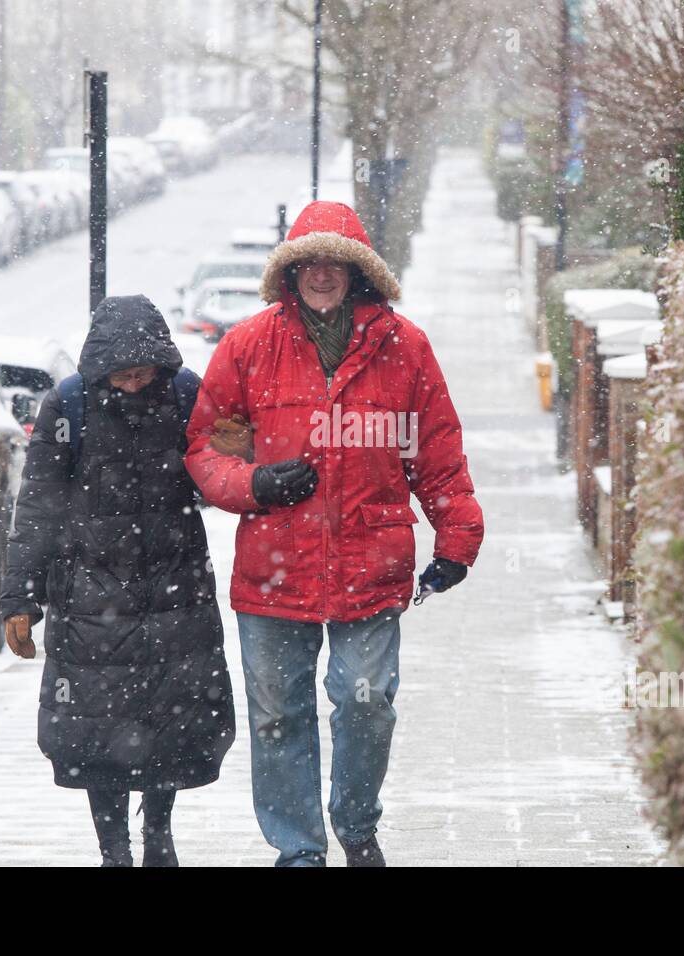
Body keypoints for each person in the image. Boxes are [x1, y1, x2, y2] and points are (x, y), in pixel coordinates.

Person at [184, 201, 485, 866]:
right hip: (272, 572)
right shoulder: (248, 346)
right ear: (290, 273)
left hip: (370, 564)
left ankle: (356, 822)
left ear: (359, 273)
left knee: (368, 705)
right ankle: (298, 851)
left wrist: (456, 539)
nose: (322, 275)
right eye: (308, 263)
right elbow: (208, 449)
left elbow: (435, 451)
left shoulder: (405, 348)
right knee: (277, 718)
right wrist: (256, 485)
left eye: (335, 263)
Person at [0, 294, 236, 867]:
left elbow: (217, 476)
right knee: (94, 731)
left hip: (175, 592)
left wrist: (241, 454)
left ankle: (159, 836)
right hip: (88, 598)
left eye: (143, 373)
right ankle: (113, 851)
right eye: (122, 375)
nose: (133, 384)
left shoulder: (186, 395)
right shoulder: (69, 404)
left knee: (173, 722)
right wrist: (21, 598)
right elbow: (39, 505)